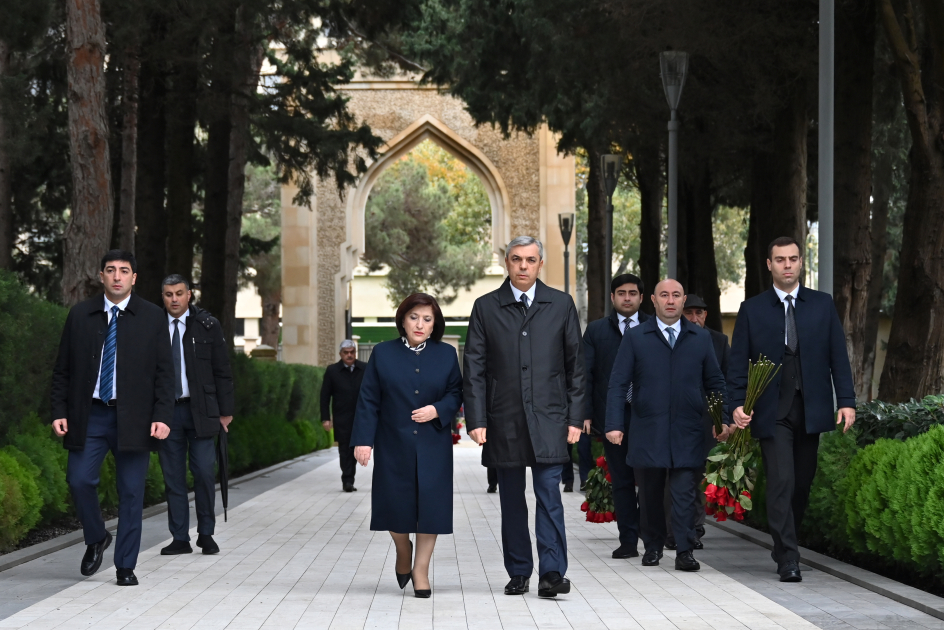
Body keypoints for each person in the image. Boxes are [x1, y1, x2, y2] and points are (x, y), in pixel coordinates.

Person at [464, 235, 585, 599]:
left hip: (550, 419)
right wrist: (476, 419)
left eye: (530, 260)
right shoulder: (486, 307)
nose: (523, 266)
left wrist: (575, 418)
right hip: (504, 420)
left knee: (550, 495)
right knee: (511, 499)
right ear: (506, 262)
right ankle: (518, 571)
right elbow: (474, 368)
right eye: (516, 259)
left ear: (540, 264)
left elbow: (576, 368)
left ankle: (551, 572)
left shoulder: (561, 305)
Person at [728, 236, 855, 583]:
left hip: (811, 408)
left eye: (793, 258)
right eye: (780, 259)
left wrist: (845, 401)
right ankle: (788, 557)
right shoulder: (752, 309)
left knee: (801, 484)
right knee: (782, 480)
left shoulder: (822, 304)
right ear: (769, 264)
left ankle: (785, 542)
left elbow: (837, 358)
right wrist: (736, 405)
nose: (787, 264)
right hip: (771, 410)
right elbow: (738, 363)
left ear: (801, 262)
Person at [51, 250, 174, 586]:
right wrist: (60, 411)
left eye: (124, 271)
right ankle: (95, 536)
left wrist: (163, 415)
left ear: (134, 278)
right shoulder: (80, 315)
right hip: (89, 415)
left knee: (131, 492)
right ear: (101, 276)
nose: (117, 276)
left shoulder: (151, 317)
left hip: (134, 417)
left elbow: (166, 373)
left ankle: (125, 565)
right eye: (110, 270)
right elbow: (62, 369)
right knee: (79, 480)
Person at [606, 279, 726, 572]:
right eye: (664, 295)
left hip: (689, 429)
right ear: (654, 301)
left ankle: (685, 550)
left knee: (684, 491)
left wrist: (721, 419)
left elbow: (715, 382)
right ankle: (653, 546)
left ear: (683, 301)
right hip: (648, 429)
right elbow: (618, 383)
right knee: (650, 493)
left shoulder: (700, 339)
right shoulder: (636, 337)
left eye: (675, 295)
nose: (670, 300)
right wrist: (614, 424)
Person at [351, 293, 462, 599]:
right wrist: (363, 440)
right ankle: (403, 548)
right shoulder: (383, 353)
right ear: (402, 319)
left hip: (433, 443)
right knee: (392, 503)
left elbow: (456, 392)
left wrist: (438, 409)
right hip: (392, 442)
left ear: (435, 323)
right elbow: (369, 399)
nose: (420, 324)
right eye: (414, 317)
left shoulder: (446, 354)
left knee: (432, 507)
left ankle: (421, 570)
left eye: (427, 319)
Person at [158, 274, 234, 556]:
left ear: (189, 295)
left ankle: (206, 533)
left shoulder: (207, 325)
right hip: (167, 413)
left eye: (179, 293)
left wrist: (225, 412)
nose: (174, 299)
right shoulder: (153, 327)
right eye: (168, 294)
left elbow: (223, 370)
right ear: (163, 296)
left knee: (203, 471)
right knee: (173, 477)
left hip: (202, 411)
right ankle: (180, 537)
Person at [582, 273, 650, 559]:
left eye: (632, 293)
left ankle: (652, 537)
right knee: (621, 480)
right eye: (621, 293)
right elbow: (585, 374)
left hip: (649, 417)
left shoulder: (653, 327)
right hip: (612, 417)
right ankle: (628, 541)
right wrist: (584, 413)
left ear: (641, 297)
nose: (627, 298)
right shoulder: (596, 331)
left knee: (649, 481)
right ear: (612, 297)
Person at [665, 293, 731, 551]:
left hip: (709, 421)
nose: (694, 318)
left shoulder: (719, 341)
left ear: (705, 315)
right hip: (677, 419)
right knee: (677, 478)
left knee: (700, 477)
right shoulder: (672, 338)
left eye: (699, 313)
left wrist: (726, 419)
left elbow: (725, 381)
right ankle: (675, 531)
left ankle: (695, 529)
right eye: (689, 313)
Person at [320, 339, 367, 492]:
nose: (349, 355)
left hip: (362, 418)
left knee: (359, 449)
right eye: (346, 353)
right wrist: (325, 418)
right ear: (340, 354)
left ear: (355, 353)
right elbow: (325, 396)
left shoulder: (365, 369)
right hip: (342, 418)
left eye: (352, 352)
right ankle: (347, 480)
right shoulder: (332, 371)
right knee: (345, 451)